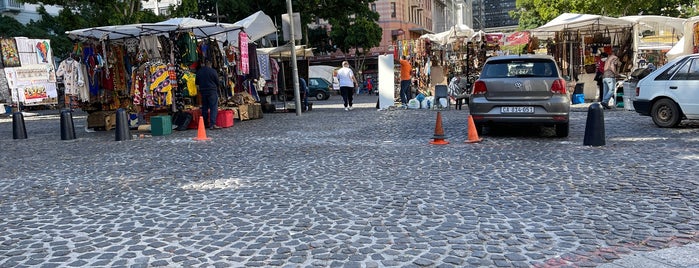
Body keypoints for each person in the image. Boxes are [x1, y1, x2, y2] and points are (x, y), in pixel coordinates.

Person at [195, 61, 221, 129]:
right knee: (213, 107)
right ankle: (212, 124)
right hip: (212, 91)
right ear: (210, 64)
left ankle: (204, 123)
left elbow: (197, 82)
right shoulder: (213, 71)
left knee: (204, 107)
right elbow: (217, 81)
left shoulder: (199, 72)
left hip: (203, 91)